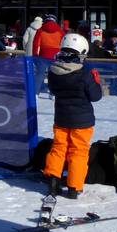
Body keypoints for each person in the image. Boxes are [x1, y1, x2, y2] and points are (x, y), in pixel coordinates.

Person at [43, 34, 102, 199]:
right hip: (82, 121)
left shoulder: (54, 70)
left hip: (61, 117)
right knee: (78, 152)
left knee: (58, 148)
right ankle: (74, 187)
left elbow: (54, 90)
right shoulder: (85, 72)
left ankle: (53, 182)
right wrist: (96, 80)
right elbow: (95, 96)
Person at [32, 14, 64, 95]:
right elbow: (63, 44)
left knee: (39, 75)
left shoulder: (40, 30)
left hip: (42, 56)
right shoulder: (60, 31)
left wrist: (35, 55)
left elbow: (36, 44)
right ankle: (53, 93)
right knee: (54, 75)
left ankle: (35, 93)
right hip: (56, 57)